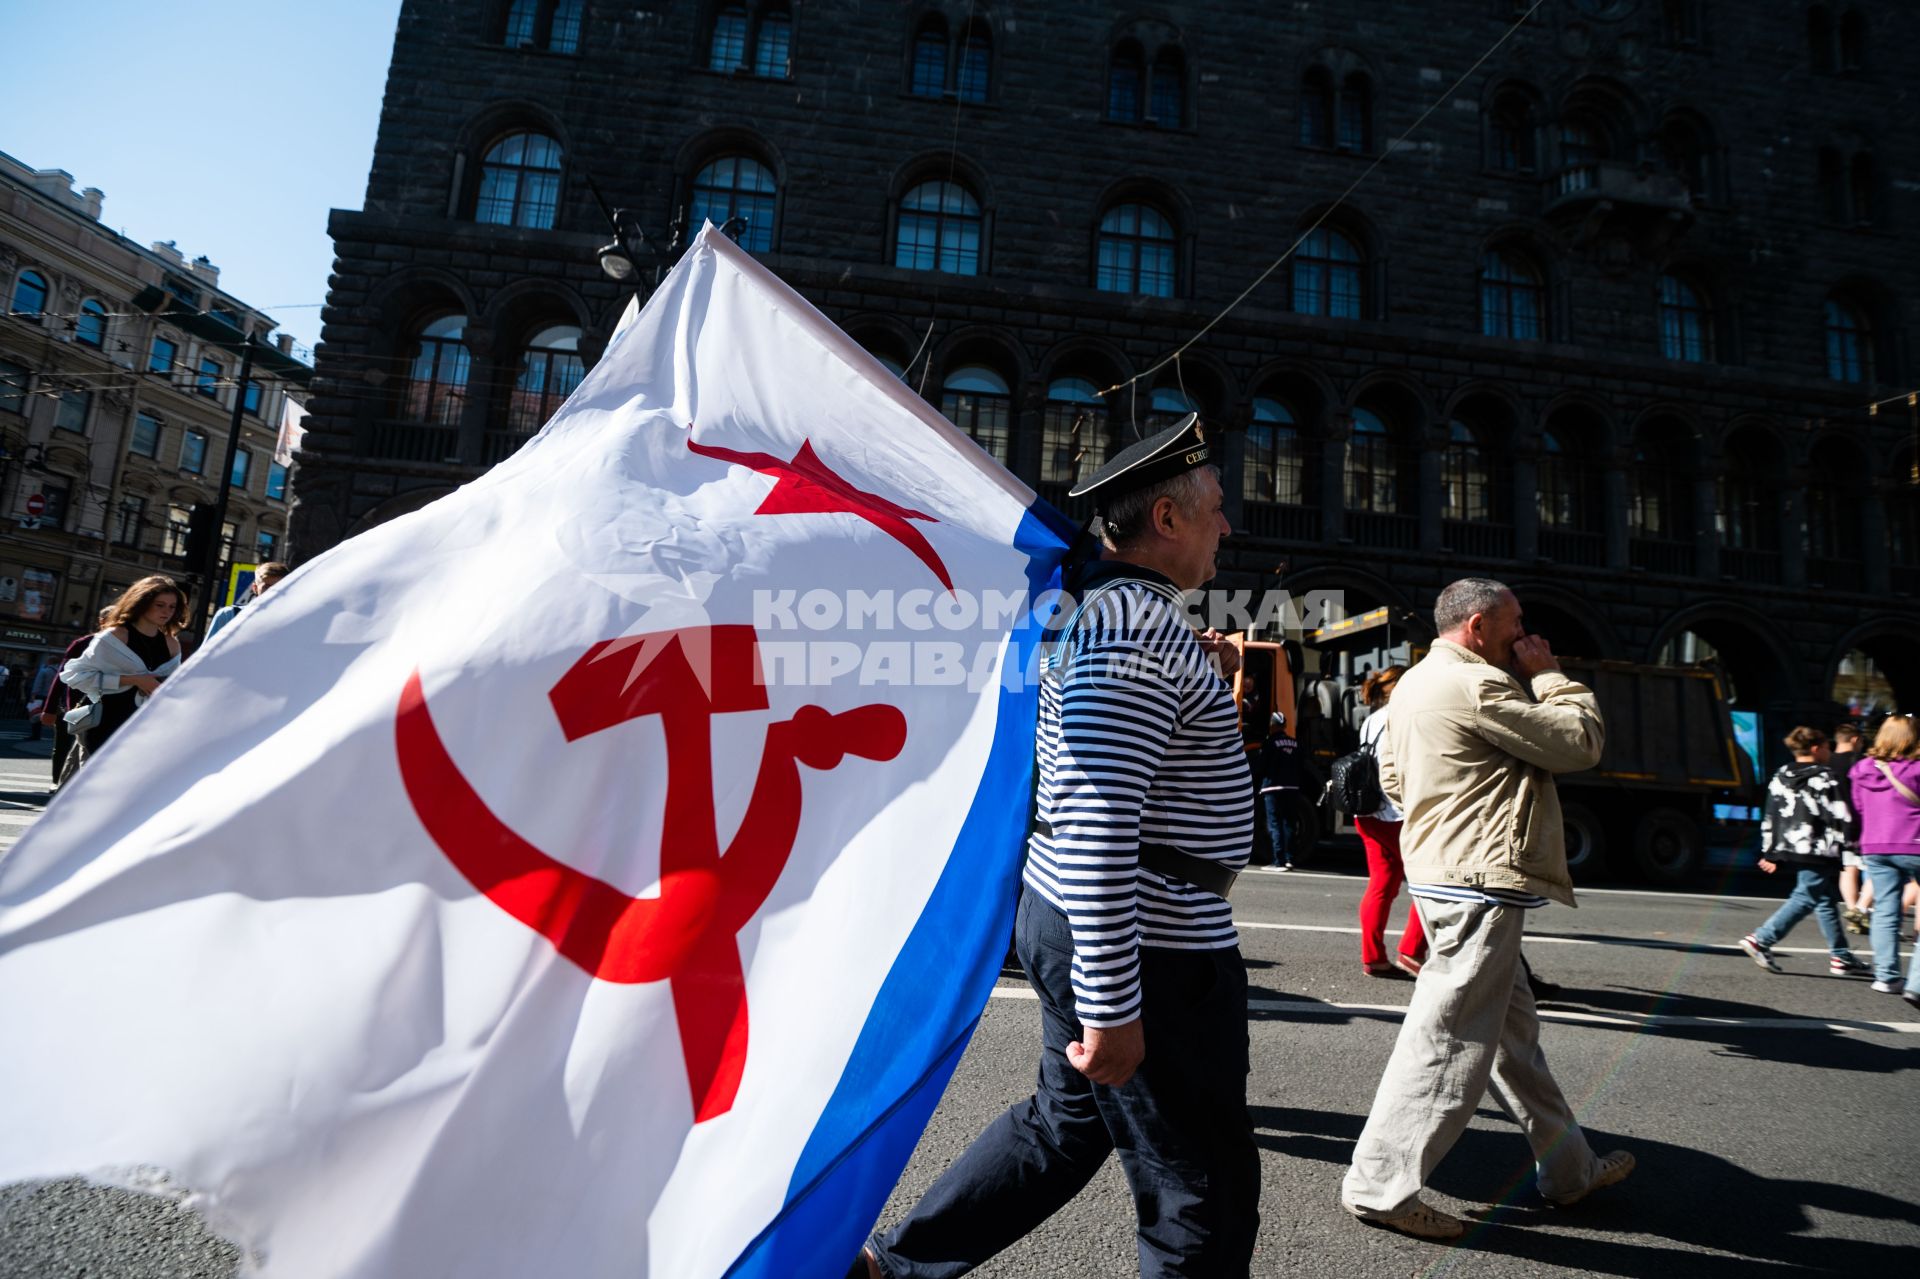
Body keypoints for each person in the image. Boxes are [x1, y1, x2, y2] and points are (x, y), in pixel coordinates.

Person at [855, 416, 1259, 1278]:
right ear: (1168, 517)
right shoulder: (1136, 627)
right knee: (1201, 1189)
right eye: (1217, 507)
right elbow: (1099, 817)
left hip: (1106, 918)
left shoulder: (1120, 614)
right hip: (1145, 938)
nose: (1229, 525)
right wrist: (1113, 1002)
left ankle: (896, 1267)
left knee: (1065, 1126)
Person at [1341, 578, 1631, 1242]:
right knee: (1447, 1042)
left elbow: (1390, 779)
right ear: (1478, 624)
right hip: (1479, 884)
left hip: (1445, 872)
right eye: (1516, 622)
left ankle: (1570, 1170)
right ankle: (1379, 1186)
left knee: (1512, 1043)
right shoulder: (1479, 684)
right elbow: (1579, 741)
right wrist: (1552, 675)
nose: (1524, 634)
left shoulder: (1414, 682)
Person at [1736, 727, 1870, 977]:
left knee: (1824, 899)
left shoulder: (1781, 774)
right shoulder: (1825, 777)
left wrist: (1769, 851)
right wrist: (1852, 843)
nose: (1829, 752)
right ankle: (1761, 939)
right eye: (1827, 748)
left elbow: (1771, 815)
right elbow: (1840, 814)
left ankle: (1840, 955)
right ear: (1817, 748)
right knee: (1806, 896)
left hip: (1790, 845)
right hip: (1819, 847)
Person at [57, 577, 187, 782]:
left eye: (172, 607)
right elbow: (74, 675)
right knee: (97, 786)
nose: (166, 611)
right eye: (160, 605)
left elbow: (174, 685)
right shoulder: (115, 636)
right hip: (107, 720)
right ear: (142, 602)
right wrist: (134, 680)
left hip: (146, 727)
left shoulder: (171, 643)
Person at [1354, 665, 1425, 978]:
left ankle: (1373, 956)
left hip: (1367, 813)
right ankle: (1412, 949)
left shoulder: (1371, 720)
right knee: (1429, 884)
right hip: (1395, 814)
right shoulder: (1405, 719)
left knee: (1381, 885)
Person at [1849, 715, 1920, 1008]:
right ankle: (1916, 985)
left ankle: (1886, 976)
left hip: (1875, 844)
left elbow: (1859, 806)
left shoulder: (1862, 768)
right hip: (1914, 842)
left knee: (1886, 910)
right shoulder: (1916, 768)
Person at [1830, 723, 1870, 933]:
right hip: (1859, 822)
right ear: (1855, 740)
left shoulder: (1826, 762)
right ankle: (1860, 911)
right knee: (1869, 870)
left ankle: (1852, 908)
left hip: (1834, 823)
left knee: (1847, 869)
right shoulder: (1860, 762)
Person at [1257, 711, 1308, 869]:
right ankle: (1290, 859)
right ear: (1284, 725)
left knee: (1274, 824)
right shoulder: (1295, 743)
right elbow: (1302, 765)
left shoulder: (1269, 743)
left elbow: (1262, 766)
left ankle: (1278, 861)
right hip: (1292, 788)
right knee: (1289, 824)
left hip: (1273, 788)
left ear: (1272, 725)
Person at [206, 560, 290, 641]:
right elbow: (208, 653)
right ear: (255, 588)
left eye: (278, 587)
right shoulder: (228, 616)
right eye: (266, 587)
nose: (272, 592)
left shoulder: (290, 623)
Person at [23, 660, 58, 741]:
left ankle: (35, 735)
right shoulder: (58, 672)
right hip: (52, 697)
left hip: (41, 696)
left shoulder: (44, 671)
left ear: (48, 662)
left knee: (35, 715)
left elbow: (38, 683)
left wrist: (33, 695)